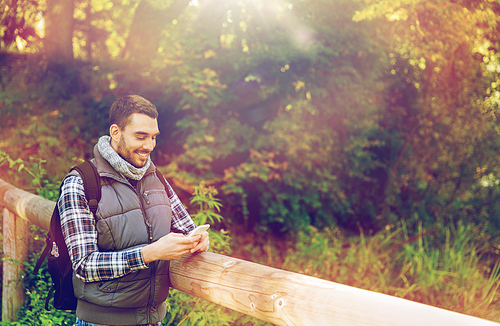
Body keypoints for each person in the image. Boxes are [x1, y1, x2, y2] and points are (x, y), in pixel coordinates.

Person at [58, 95, 209, 326]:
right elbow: (84, 265)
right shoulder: (80, 183)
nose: (149, 146)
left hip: (154, 320)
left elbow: (187, 228)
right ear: (116, 133)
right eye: (140, 136)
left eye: (153, 137)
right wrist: (150, 253)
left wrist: (197, 240)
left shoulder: (156, 177)